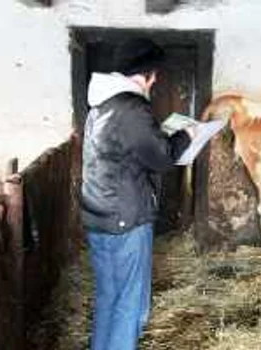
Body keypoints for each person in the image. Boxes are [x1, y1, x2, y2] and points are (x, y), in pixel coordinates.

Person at [81, 38, 195, 349]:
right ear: (144, 73)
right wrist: (185, 136)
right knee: (130, 307)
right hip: (125, 220)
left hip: (99, 216)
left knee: (109, 299)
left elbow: (133, 151)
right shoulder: (131, 106)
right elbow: (160, 158)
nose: (156, 80)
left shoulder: (101, 105)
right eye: (154, 74)